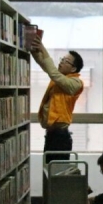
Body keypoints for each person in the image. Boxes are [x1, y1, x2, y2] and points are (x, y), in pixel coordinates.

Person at [30, 35, 84, 165]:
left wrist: (42, 47)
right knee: (48, 171)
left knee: (56, 172)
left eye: (66, 61)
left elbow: (53, 72)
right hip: (51, 134)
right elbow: (45, 64)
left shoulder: (76, 83)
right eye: (62, 59)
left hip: (60, 137)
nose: (61, 62)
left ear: (73, 68)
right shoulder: (58, 79)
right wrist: (33, 48)